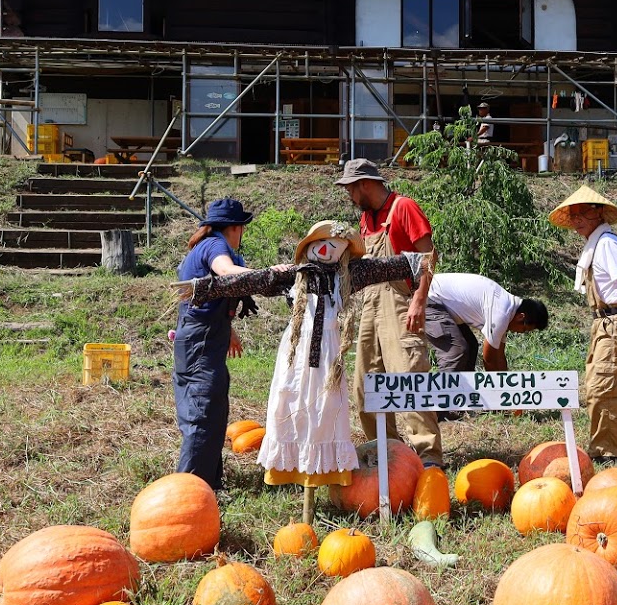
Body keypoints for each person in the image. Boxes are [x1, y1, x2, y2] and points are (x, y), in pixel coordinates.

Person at [173, 221, 430, 522]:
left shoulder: (350, 275)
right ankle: (295, 472)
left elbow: (384, 267)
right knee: (293, 408)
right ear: (308, 246)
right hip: (295, 356)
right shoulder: (293, 276)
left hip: (329, 358)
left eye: (336, 244)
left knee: (325, 412)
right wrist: (203, 288)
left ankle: (319, 475)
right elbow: (257, 280)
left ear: (345, 251)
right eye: (322, 242)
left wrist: (416, 261)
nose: (327, 248)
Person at [335, 158, 443, 467]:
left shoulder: (403, 208)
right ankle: (388, 455)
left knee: (408, 381)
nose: (349, 196)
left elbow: (428, 256)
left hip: (399, 303)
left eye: (350, 189)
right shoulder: (366, 220)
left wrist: (419, 300)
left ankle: (428, 459)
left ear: (365, 184)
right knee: (365, 387)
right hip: (371, 305)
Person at [549, 185, 617, 460]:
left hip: (616, 323)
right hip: (605, 323)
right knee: (608, 387)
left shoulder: (607, 243)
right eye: (572, 215)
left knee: (603, 390)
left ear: (598, 213)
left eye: (582, 213)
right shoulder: (596, 244)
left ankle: (609, 453)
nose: (576, 220)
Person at [172, 197, 256, 490]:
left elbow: (213, 297)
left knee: (214, 412)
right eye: (241, 228)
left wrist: (228, 329)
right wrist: (272, 275)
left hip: (205, 339)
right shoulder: (215, 245)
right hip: (199, 344)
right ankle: (187, 492)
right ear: (233, 228)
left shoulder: (208, 244)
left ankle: (209, 485)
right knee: (202, 414)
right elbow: (225, 272)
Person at [425, 272, 548, 374]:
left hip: (442, 300)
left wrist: (507, 387)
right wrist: (496, 390)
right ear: (521, 317)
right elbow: (489, 359)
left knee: (471, 345)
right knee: (456, 351)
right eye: (525, 329)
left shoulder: (508, 309)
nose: (521, 332)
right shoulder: (502, 313)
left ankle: (464, 396)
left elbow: (499, 356)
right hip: (429, 297)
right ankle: (445, 397)